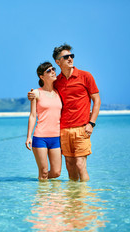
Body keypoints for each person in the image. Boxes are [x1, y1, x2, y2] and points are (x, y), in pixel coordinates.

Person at [28, 43, 101, 182]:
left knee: (80, 165)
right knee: (70, 166)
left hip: (82, 128)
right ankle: (73, 199)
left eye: (71, 56)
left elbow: (97, 100)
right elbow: (45, 91)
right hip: (63, 130)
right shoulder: (57, 81)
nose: (70, 59)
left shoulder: (86, 76)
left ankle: (84, 199)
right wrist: (32, 95)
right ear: (58, 61)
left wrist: (91, 123)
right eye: (66, 57)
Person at [26, 62, 62, 181]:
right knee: (44, 172)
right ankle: (42, 198)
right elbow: (32, 115)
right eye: (48, 71)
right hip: (40, 137)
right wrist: (29, 137)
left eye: (53, 69)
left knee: (56, 172)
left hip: (56, 137)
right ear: (41, 76)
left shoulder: (59, 92)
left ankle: (50, 192)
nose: (53, 72)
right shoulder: (36, 93)